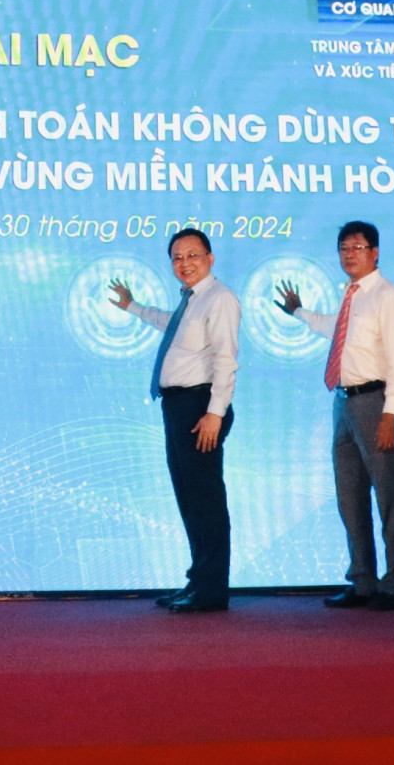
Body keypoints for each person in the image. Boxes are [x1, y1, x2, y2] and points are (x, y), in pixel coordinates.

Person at [277, 220, 394, 611]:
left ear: (375, 252)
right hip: (344, 402)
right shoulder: (350, 295)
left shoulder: (388, 296)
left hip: (377, 401)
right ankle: (363, 580)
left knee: (388, 495)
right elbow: (338, 333)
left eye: (357, 247)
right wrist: (299, 311)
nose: (348, 254)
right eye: (343, 248)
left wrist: (391, 414)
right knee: (349, 497)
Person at [109, 228, 239, 613]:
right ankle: (198, 582)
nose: (184, 264)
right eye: (177, 258)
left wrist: (215, 413)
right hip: (179, 407)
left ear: (210, 258)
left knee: (206, 501)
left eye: (192, 255)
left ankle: (212, 591)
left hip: (201, 408)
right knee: (190, 500)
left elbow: (226, 360)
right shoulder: (191, 301)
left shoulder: (220, 298)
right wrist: (133, 306)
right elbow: (171, 324)